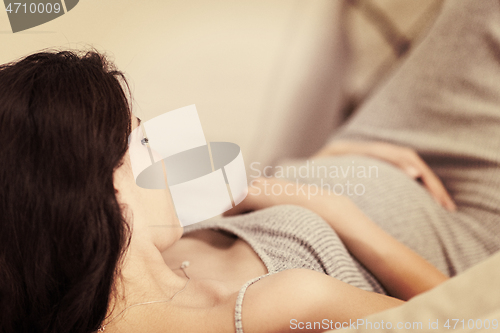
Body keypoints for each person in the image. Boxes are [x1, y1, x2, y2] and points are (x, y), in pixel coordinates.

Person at [0, 51, 447, 333]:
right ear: (111, 189)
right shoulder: (284, 304)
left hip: (362, 157)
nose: (164, 157)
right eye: (143, 141)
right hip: (453, 217)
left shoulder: (109, 273)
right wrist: (341, 212)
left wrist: (327, 162)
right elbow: (473, 318)